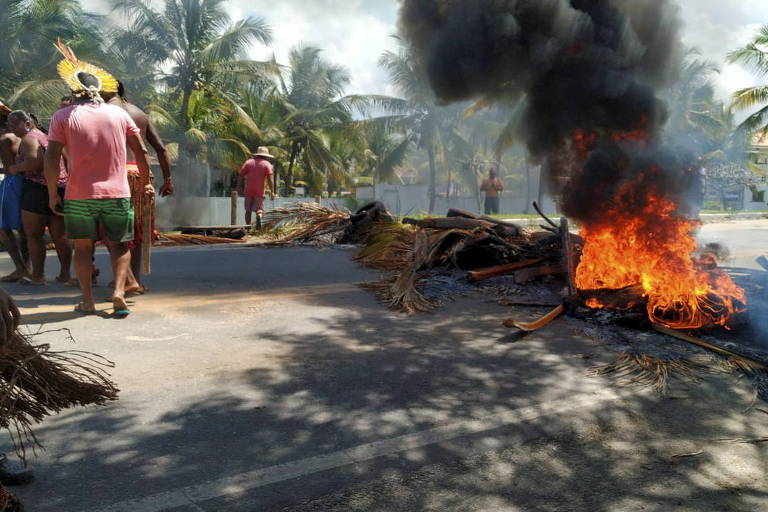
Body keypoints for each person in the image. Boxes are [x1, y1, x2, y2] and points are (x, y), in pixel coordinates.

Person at [44, 41, 153, 317]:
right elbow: (141, 151)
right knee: (120, 246)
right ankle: (118, 292)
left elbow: (52, 158)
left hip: (79, 194)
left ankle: (88, 301)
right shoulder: (118, 113)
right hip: (117, 193)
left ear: (73, 90)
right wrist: (148, 180)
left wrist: (52, 194)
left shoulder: (62, 117)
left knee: (83, 248)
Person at [103, 81, 173, 289]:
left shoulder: (105, 112)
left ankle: (127, 279)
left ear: (108, 89)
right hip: (142, 175)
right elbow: (160, 149)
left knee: (113, 231)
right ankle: (135, 281)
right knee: (139, 229)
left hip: (116, 175)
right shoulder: (139, 113)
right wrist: (168, 179)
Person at [6, 110, 73, 286]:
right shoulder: (46, 136)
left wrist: (16, 168)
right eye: (9, 125)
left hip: (37, 190)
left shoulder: (29, 139)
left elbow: (35, 162)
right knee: (60, 235)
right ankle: (65, 274)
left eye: (14, 124)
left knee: (34, 235)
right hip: (58, 188)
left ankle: (38, 275)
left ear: (27, 123)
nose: (11, 128)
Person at [0, 104, 30, 282]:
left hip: (11, 183)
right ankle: (27, 267)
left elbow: (9, 167)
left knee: (4, 228)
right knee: (23, 228)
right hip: (21, 182)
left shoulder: (5, 139)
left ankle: (21, 267)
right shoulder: (19, 136)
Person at [237, 146, 275, 229]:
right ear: (266, 156)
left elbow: (241, 175)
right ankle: (259, 217)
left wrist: (238, 187)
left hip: (248, 190)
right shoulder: (267, 164)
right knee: (259, 209)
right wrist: (272, 191)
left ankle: (248, 227)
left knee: (248, 210)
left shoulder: (248, 162)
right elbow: (270, 179)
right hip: (259, 191)